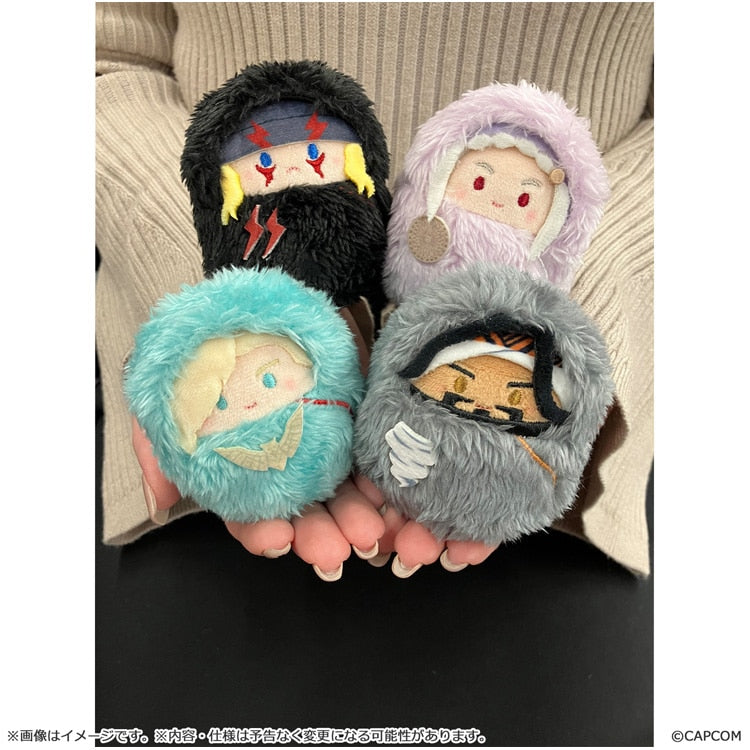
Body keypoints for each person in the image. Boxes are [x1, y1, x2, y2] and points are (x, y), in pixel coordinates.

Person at [96, 2, 654, 579]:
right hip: (193, 457)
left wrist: (570, 310)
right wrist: (209, 282)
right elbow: (106, 60)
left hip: (568, 465)